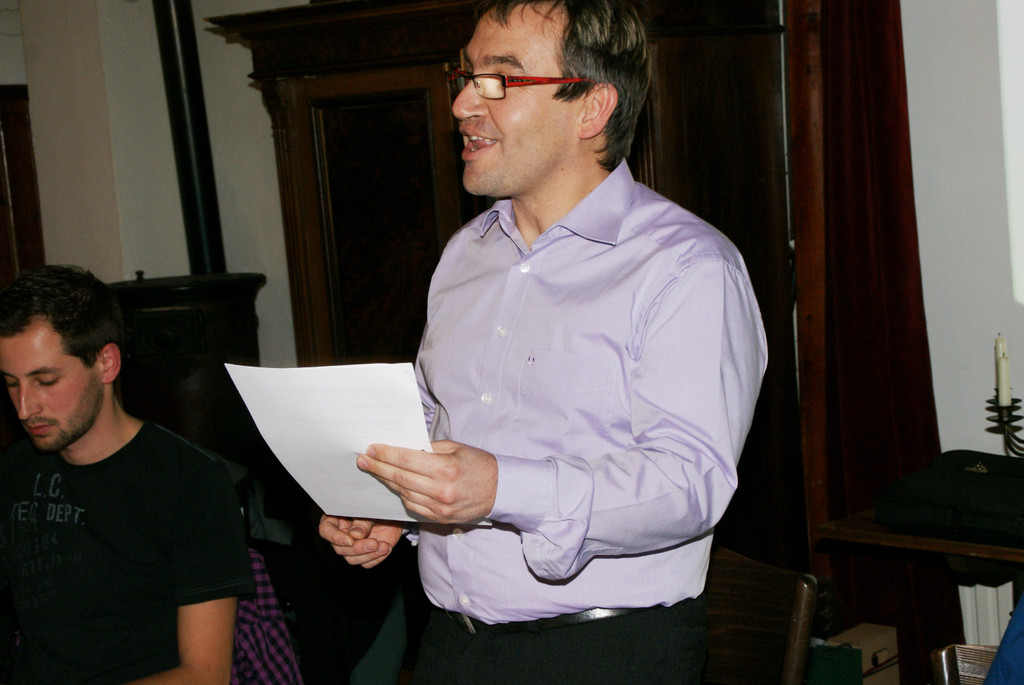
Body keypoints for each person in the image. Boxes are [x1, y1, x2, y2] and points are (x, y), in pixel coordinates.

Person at [319, 0, 767, 682]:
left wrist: (501, 487)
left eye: (499, 79)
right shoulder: (465, 254)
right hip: (449, 645)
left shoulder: (686, 266)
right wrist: (398, 507)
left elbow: (691, 482)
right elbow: (441, 427)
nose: (463, 104)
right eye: (464, 76)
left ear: (591, 107)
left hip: (603, 654)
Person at [0, 265, 255, 684]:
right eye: (11, 383)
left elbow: (205, 674)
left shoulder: (191, 482)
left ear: (106, 363)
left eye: (45, 380)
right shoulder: (16, 468)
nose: (25, 408)